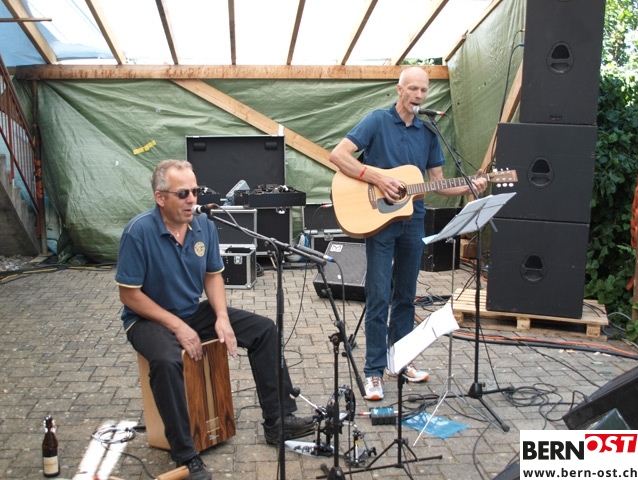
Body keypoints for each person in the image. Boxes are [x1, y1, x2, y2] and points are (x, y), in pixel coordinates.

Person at [115, 159, 314, 480]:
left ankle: (278, 420)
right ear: (160, 197)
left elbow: (213, 275)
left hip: (191, 311)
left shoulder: (204, 225)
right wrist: (177, 326)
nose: (192, 199)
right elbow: (130, 295)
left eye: (195, 191)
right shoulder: (138, 232)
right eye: (183, 193)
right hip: (146, 319)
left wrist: (221, 316)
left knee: (264, 330)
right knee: (166, 361)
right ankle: (186, 455)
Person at [328, 66, 488, 401]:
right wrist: (377, 177)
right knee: (378, 296)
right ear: (399, 90)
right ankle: (373, 371)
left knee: (405, 295)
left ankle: (398, 361)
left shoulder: (428, 132)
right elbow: (338, 155)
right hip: (379, 222)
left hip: (413, 221)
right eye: (413, 88)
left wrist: (470, 185)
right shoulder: (377, 121)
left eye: (423, 90)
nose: (418, 95)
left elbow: (437, 182)